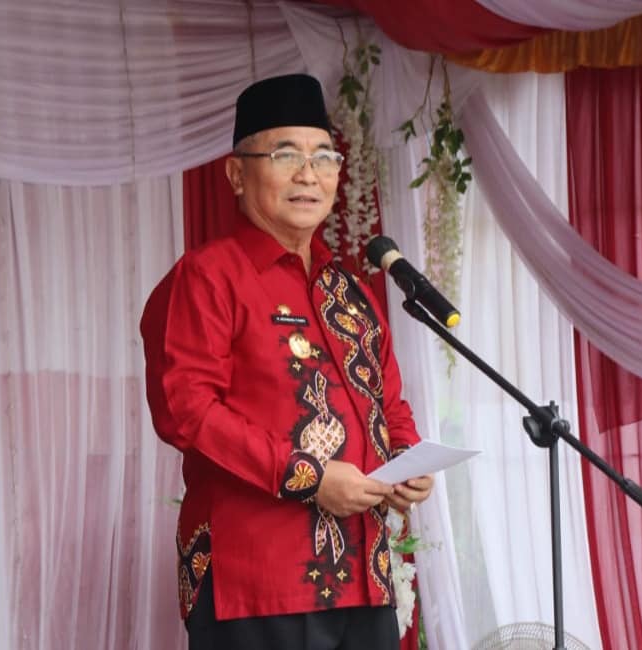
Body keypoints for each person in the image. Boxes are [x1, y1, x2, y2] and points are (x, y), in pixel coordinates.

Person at [141, 73, 434, 650]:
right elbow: (187, 411)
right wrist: (310, 477)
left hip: (366, 579)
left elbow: (389, 405)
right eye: (285, 155)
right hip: (255, 580)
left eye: (323, 157)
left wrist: (406, 460)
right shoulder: (208, 276)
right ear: (236, 174)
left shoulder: (351, 292)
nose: (309, 174)